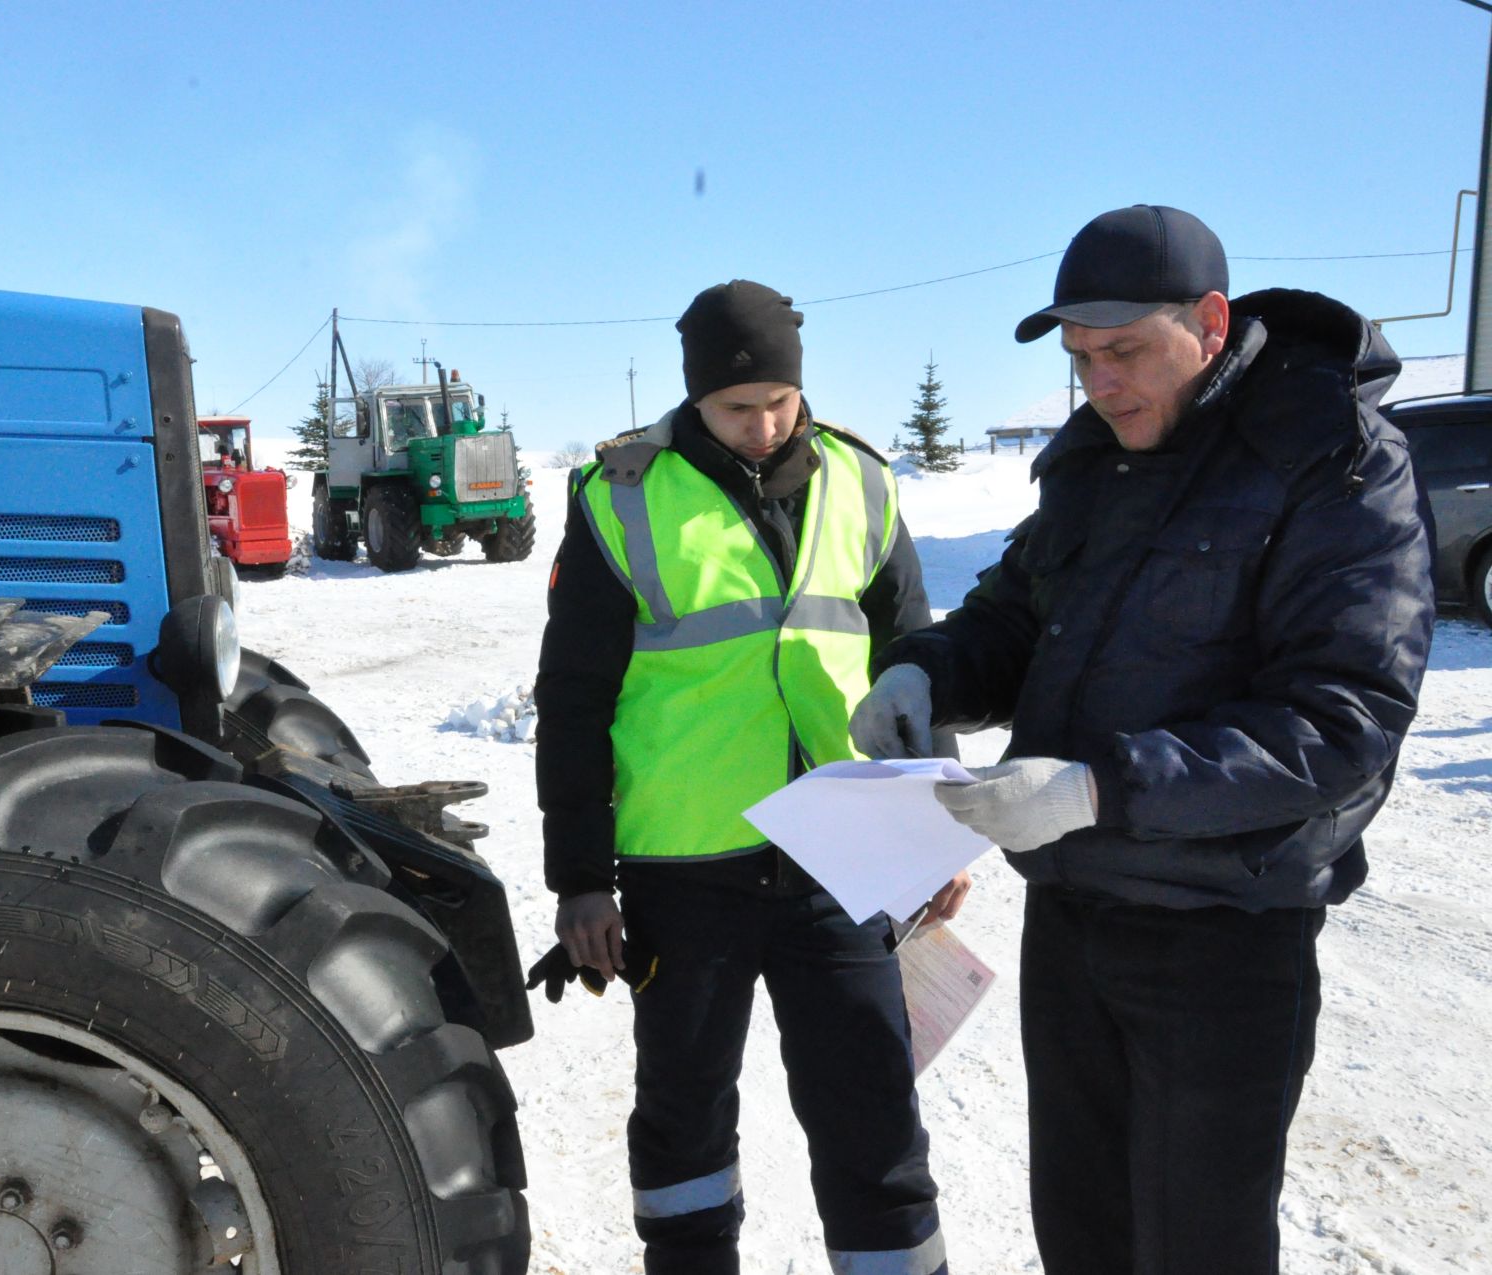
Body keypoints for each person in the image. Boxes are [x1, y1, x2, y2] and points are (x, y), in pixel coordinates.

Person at [851, 205, 1435, 1274]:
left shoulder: (1333, 460)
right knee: (1084, 1229)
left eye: (1124, 352)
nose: (1099, 383)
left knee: (1196, 1244)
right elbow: (1018, 612)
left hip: (1221, 934)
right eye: (1080, 360)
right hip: (1073, 921)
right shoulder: (1098, 458)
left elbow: (1341, 719)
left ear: (1210, 323)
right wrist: (925, 670)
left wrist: (1100, 788)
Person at [536, 279, 962, 1275]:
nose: (765, 424)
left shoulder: (862, 481)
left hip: (841, 863)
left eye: (780, 400)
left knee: (875, 1122)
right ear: (695, 400)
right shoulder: (624, 497)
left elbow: (917, 661)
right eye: (738, 408)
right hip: (685, 873)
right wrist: (580, 879)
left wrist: (934, 832)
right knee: (684, 1126)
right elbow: (574, 699)